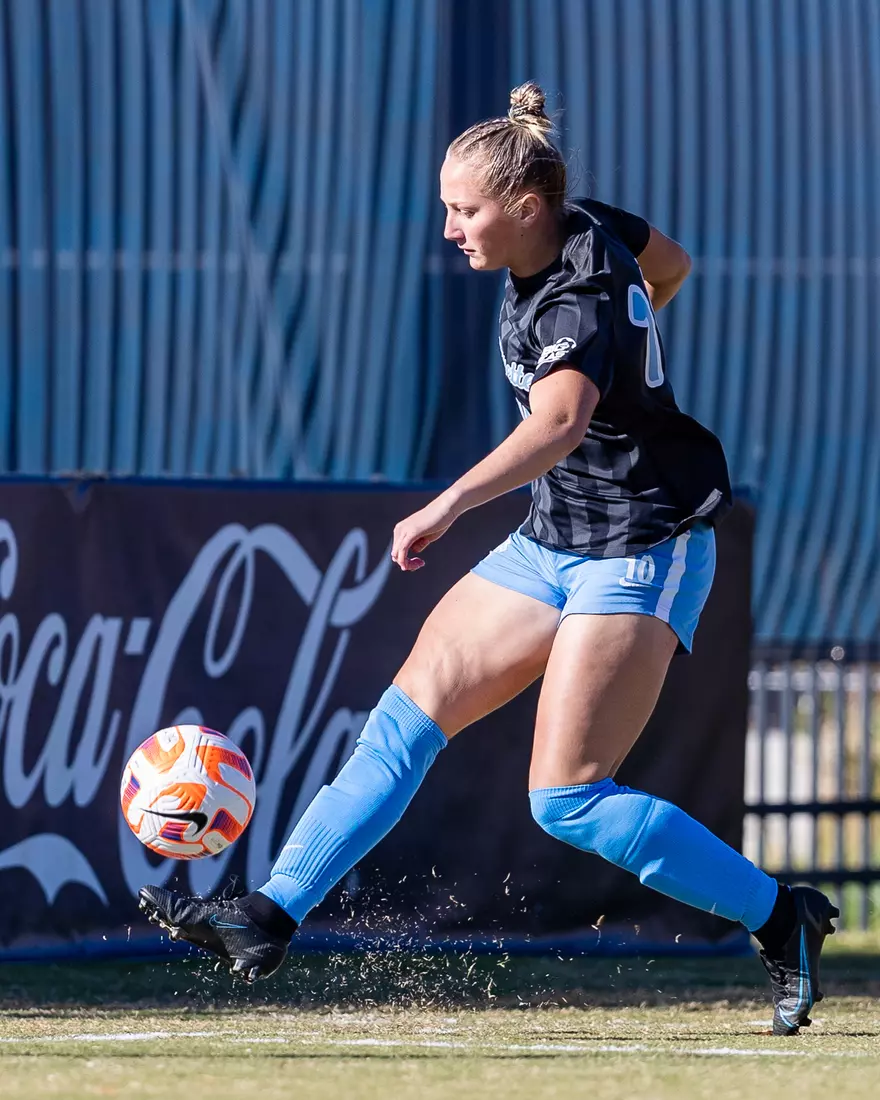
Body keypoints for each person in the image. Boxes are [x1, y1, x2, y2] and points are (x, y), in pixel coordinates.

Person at [139, 82, 837, 1036]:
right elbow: (670, 262)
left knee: (567, 797)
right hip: (555, 536)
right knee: (404, 718)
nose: (450, 229)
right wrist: (639, 335)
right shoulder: (589, 228)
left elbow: (558, 422)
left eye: (463, 211)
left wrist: (448, 504)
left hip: (642, 546)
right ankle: (268, 913)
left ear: (524, 207)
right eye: (447, 210)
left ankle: (778, 915)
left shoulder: (580, 289)